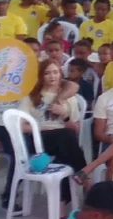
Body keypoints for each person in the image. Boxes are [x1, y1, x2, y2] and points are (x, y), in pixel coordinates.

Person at [18, 59, 88, 208]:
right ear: (41, 75)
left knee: (65, 151)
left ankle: (61, 202)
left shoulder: (68, 97)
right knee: (66, 137)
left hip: (65, 141)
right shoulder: (32, 96)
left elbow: (76, 128)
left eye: (55, 72)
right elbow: (21, 127)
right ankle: (87, 179)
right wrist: (44, 128)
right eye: (47, 73)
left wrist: (64, 115)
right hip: (39, 140)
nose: (52, 76)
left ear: (61, 74)